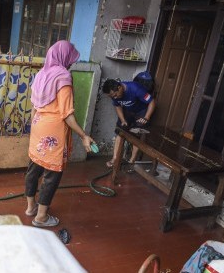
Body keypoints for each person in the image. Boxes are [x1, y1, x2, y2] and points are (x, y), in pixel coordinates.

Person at [25, 40, 94, 228]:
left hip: (38, 125)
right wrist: (83, 135)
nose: (71, 62)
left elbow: (33, 106)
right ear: (64, 57)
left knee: (34, 168)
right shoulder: (63, 77)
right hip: (54, 132)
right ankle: (41, 217)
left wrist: (34, 128)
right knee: (51, 175)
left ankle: (31, 207)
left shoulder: (41, 74)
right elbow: (67, 115)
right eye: (71, 58)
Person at [102, 78, 156, 168]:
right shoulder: (114, 95)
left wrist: (146, 117)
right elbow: (117, 106)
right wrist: (122, 119)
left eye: (115, 95)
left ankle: (132, 161)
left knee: (137, 135)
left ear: (119, 87)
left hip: (141, 111)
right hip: (128, 111)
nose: (114, 98)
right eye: (112, 97)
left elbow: (152, 102)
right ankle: (115, 159)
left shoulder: (135, 88)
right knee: (120, 131)